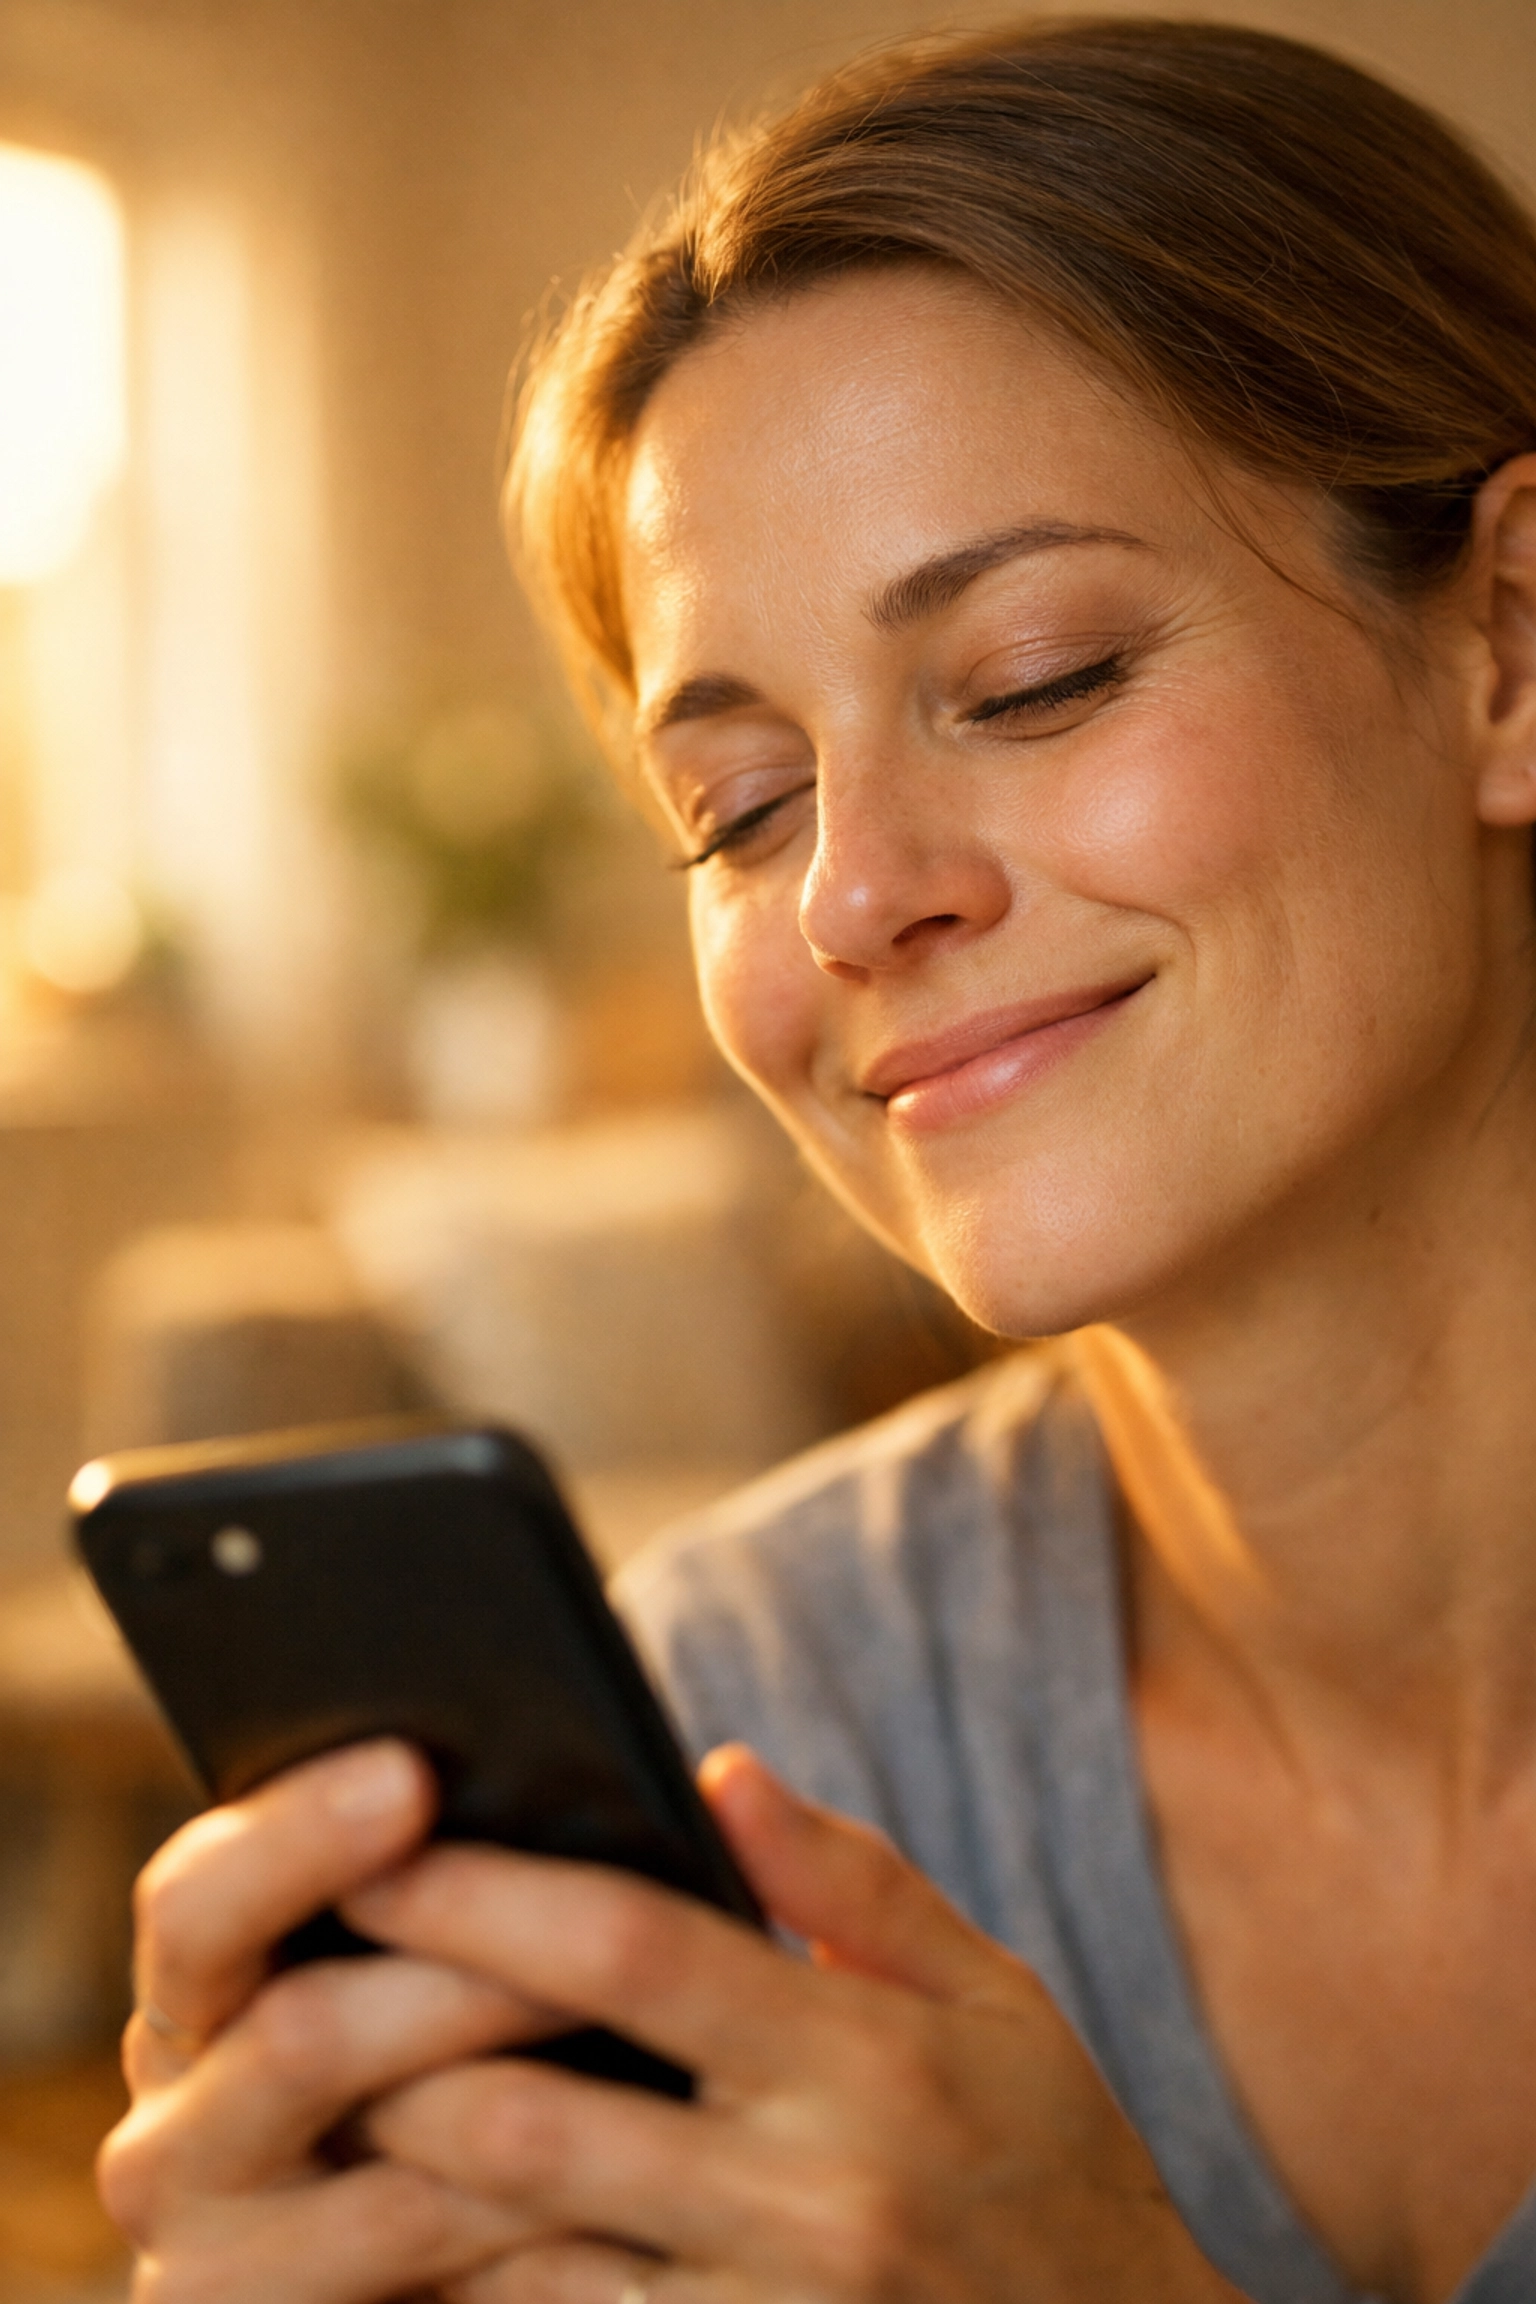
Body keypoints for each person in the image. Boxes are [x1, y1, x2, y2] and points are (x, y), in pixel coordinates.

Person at [98, 18, 1536, 2303]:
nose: (855, 895)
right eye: (739, 808)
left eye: (1038, 673)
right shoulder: (752, 1717)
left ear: (1507, 650)